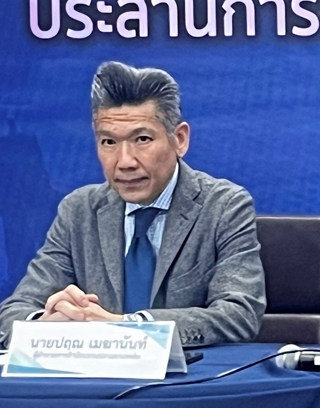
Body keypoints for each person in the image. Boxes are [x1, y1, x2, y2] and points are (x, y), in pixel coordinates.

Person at [0, 62, 266, 348]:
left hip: (189, 373)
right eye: (108, 142)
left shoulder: (224, 206)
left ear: (179, 140)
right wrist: (43, 324)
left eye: (142, 139)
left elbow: (239, 314)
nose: (125, 161)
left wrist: (126, 327)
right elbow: (14, 311)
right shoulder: (78, 211)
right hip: (96, 373)